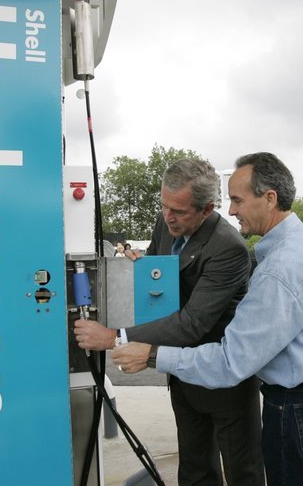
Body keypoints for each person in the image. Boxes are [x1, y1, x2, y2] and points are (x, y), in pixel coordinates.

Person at [112, 152, 303, 486]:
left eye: (237, 199)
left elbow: (231, 360)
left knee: (249, 471)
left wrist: (147, 352)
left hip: (295, 405)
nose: (232, 209)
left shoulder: (280, 269)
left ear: (269, 199)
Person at [74, 159, 265, 486]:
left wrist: (113, 337)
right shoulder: (167, 224)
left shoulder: (228, 247)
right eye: (163, 206)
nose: (167, 216)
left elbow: (192, 323)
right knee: (194, 469)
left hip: (225, 383)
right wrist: (144, 267)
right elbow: (163, 278)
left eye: (178, 210)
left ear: (207, 209)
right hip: (183, 374)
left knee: (242, 472)